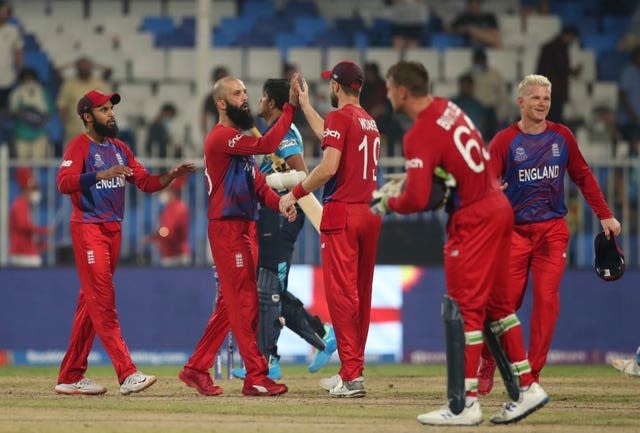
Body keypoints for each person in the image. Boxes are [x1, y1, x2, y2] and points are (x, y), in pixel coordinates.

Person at [375, 60, 548, 425]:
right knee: (500, 307)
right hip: (497, 207)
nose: (387, 93)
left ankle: (465, 404)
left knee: (466, 309)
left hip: (473, 218)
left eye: (389, 87)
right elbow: (453, 168)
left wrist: (388, 202)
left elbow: (418, 199)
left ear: (402, 92)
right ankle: (529, 387)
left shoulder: (417, 134)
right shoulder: (448, 108)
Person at [478, 74, 621, 396]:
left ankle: (533, 375)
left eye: (546, 98)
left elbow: (583, 175)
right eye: (535, 98)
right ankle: (487, 362)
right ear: (521, 102)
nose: (542, 103)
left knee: (546, 302)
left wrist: (605, 214)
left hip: (553, 232)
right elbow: (483, 183)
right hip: (513, 233)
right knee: (505, 305)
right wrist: (492, 190)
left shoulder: (562, 136)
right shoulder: (504, 141)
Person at [55, 89, 196, 396]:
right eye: (104, 109)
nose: (111, 113)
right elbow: (63, 183)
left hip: (113, 231)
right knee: (103, 301)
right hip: (88, 228)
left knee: (89, 303)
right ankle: (127, 373)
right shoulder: (79, 146)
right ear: (87, 117)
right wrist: (100, 174)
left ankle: (70, 375)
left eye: (111, 108)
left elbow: (145, 182)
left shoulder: (120, 148)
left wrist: (170, 175)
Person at [178, 74, 299, 397]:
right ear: (221, 103)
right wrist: (290, 108)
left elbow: (258, 187)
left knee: (229, 306)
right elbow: (268, 145)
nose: (244, 97)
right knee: (245, 302)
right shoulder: (221, 138)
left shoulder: (238, 142)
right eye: (236, 93)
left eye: (245, 92)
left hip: (245, 227)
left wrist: (281, 203)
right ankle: (256, 376)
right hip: (228, 229)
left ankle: (195, 368)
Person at [279, 61, 382, 398]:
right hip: (370, 211)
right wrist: (306, 106)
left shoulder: (340, 118)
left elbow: (328, 166)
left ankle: (351, 377)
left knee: (341, 296)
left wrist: (295, 193)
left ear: (336, 86)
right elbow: (331, 137)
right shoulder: (368, 121)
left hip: (343, 212)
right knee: (361, 294)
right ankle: (352, 371)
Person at [229, 78, 337, 381]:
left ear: (272, 103)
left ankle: (271, 359)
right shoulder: (271, 134)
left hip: (283, 214)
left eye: (262, 97)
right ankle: (317, 336)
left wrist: (276, 186)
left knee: (269, 289)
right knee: (269, 288)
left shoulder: (284, 133)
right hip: (271, 215)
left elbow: (300, 173)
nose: (259, 102)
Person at [56, 57, 111, 143]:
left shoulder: (99, 83)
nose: (84, 68)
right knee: (74, 156)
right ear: (76, 68)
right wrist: (64, 126)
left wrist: (94, 64)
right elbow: (63, 107)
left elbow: (109, 70)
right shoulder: (69, 84)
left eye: (86, 65)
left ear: (91, 67)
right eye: (81, 66)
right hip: (73, 131)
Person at [535, 26, 581, 124]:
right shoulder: (559, 48)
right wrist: (573, 72)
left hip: (546, 91)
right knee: (553, 121)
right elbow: (561, 69)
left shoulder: (549, 47)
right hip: (554, 92)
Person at [145, 175, 191, 267]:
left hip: (175, 255)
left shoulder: (176, 208)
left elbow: (167, 231)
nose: (162, 193)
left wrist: (153, 237)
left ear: (171, 192)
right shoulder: (172, 207)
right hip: (174, 253)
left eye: (164, 190)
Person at [9, 67, 54, 159]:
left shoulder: (43, 93)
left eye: (31, 78)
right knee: (22, 168)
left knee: (37, 166)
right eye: (26, 79)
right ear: (21, 80)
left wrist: (36, 117)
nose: (29, 81)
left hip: (39, 135)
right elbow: (11, 112)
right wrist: (24, 113)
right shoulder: (15, 94)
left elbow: (49, 114)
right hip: (21, 135)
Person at [9, 167, 48, 267]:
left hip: (26, 251)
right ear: (26, 188)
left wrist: (38, 245)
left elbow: (25, 233)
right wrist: (45, 230)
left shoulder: (24, 204)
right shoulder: (19, 204)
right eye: (34, 188)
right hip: (22, 253)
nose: (36, 191)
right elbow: (24, 227)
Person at [469, 48, 509, 137]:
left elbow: (502, 95)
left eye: (480, 61)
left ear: (485, 61)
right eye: (477, 62)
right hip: (477, 110)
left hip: (492, 110)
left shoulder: (495, 75)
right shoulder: (471, 75)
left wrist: (501, 114)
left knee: (492, 137)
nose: (479, 64)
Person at [616, 46, 640, 157]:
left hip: (636, 120)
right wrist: (630, 112)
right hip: (628, 121)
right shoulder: (628, 71)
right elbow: (622, 94)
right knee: (631, 147)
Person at [0, 1, 23, 112]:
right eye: (1, 11)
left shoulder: (13, 30)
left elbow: (19, 52)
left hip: (6, 78)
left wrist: (19, 69)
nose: (2, 14)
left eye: (5, 12)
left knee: (5, 110)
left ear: (9, 15)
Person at [450, 73, 489, 137]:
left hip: (472, 138)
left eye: (467, 86)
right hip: (454, 136)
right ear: (460, 86)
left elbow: (481, 127)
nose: (465, 88)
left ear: (471, 87)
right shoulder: (452, 103)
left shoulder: (478, 106)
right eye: (463, 86)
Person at [200, 66, 229, 138]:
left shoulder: (237, 96)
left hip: (235, 135)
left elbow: (248, 115)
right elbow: (204, 118)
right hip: (219, 135)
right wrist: (206, 136)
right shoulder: (211, 98)